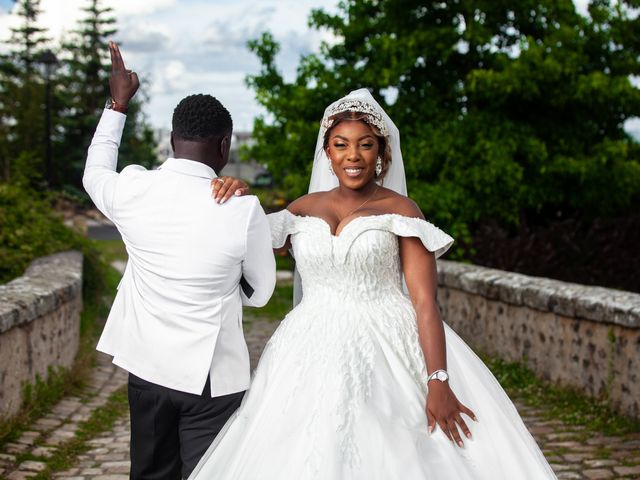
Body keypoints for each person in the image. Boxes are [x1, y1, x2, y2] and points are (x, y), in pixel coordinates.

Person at [189, 88, 557, 479]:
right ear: (327, 153)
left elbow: (425, 303)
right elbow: (244, 236)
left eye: (365, 145)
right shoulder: (301, 209)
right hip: (306, 347)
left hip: (388, 344)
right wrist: (239, 194)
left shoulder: (401, 211)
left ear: (382, 154)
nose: (353, 155)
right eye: (341, 145)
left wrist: (439, 381)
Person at [83, 42, 276, 479]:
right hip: (212, 380)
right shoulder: (242, 210)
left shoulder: (133, 189)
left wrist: (117, 104)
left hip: (147, 370)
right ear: (224, 145)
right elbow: (262, 295)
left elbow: (94, 172)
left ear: (172, 141)